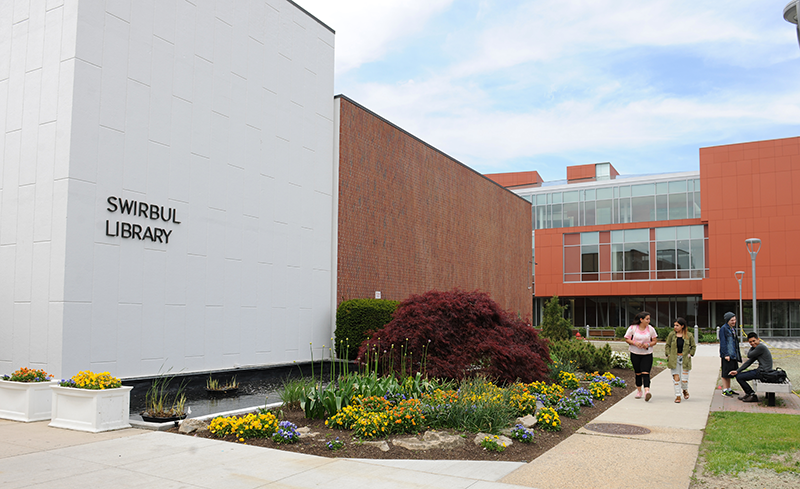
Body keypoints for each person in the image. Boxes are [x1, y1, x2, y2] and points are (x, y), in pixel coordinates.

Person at [729, 332, 773, 403]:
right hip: (761, 371)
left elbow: (749, 355)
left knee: (740, 377)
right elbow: (748, 362)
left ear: (758, 339)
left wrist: (752, 347)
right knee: (739, 375)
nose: (752, 343)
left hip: (764, 372)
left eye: (754, 341)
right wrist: (737, 371)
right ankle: (749, 394)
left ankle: (751, 394)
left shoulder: (760, 347)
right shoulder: (757, 348)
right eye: (750, 342)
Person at [624, 311, 658, 401]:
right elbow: (627, 339)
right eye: (647, 319)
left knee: (646, 373)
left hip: (647, 354)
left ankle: (647, 391)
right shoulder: (633, 328)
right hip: (635, 354)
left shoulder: (651, 329)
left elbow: (654, 340)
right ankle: (639, 391)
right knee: (638, 373)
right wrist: (635, 343)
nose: (648, 321)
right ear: (641, 320)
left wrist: (648, 345)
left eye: (649, 319)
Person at [665, 317, 697, 403]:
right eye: (674, 325)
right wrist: (668, 354)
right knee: (676, 378)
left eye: (677, 325)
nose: (675, 327)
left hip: (685, 359)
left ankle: (685, 390)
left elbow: (693, 346)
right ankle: (678, 395)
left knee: (684, 379)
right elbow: (667, 345)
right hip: (674, 359)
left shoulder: (689, 335)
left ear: (682, 326)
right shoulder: (672, 335)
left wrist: (690, 354)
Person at [718, 312, 741, 397]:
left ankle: (729, 389)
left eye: (735, 320)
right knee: (725, 372)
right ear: (727, 320)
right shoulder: (723, 329)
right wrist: (726, 354)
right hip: (727, 355)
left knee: (730, 372)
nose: (734, 321)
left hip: (733, 354)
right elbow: (723, 343)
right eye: (732, 320)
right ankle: (724, 389)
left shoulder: (733, 329)